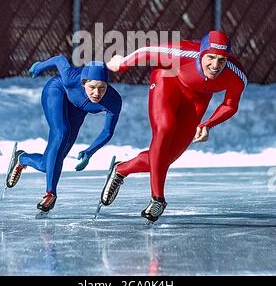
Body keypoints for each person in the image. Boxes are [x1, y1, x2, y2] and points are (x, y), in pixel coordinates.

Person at [101, 30, 247, 222]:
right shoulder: (182, 53)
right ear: (202, 53)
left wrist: (208, 124)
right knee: (165, 128)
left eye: (222, 60)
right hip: (168, 80)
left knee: (166, 158)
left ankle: (121, 170)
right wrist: (121, 64)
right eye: (210, 58)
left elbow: (230, 105)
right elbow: (147, 50)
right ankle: (158, 199)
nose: (215, 65)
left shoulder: (236, 75)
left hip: (197, 100)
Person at [6, 55, 122, 212]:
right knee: (61, 131)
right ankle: (50, 193)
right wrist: (39, 66)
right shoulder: (70, 77)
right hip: (57, 91)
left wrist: (90, 151)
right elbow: (60, 59)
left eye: (102, 87)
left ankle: (22, 158)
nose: (97, 93)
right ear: (84, 83)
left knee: (48, 165)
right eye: (92, 87)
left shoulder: (114, 100)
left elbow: (108, 131)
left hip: (78, 110)